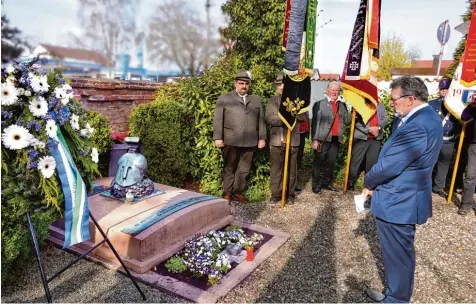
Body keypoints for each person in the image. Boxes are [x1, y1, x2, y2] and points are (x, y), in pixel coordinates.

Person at [362, 76, 443, 303]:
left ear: (410, 99)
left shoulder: (418, 124)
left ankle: (396, 299)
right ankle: (395, 293)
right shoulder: (424, 118)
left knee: (399, 256)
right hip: (403, 197)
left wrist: (369, 182)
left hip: (399, 201)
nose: (392, 104)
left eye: (395, 99)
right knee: (399, 255)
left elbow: (391, 164)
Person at [213, 70, 266, 203]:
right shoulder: (224, 98)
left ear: (249, 84)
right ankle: (227, 193)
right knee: (230, 167)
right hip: (231, 140)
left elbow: (261, 120)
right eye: (241, 83)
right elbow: (218, 119)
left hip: (250, 141)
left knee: (244, 168)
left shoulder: (256, 100)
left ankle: (238, 192)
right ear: (235, 83)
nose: (243, 86)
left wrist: (262, 138)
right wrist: (218, 138)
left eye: (246, 83)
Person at [266, 73, 307, 204]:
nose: (282, 87)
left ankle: (290, 194)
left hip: (293, 140)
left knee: (291, 169)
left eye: (284, 85)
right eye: (279, 85)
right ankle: (276, 194)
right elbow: (269, 118)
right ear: (276, 87)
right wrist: (286, 118)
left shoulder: (297, 100)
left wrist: (292, 114)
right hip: (277, 140)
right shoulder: (273, 100)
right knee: (276, 169)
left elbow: (303, 117)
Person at [310, 81, 350, 193]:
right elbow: (315, 123)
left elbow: (347, 121)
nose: (334, 92)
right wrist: (314, 139)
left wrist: (352, 109)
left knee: (330, 163)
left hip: (336, 139)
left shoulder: (342, 105)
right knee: (318, 162)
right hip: (322, 139)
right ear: (327, 90)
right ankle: (316, 184)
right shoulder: (319, 104)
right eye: (332, 90)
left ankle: (327, 183)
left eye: (336, 90)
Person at [429, 78, 461, 198]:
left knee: (444, 165)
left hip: (449, 140)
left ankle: (438, 187)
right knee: (430, 163)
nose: (444, 91)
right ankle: (426, 185)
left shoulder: (456, 105)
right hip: (434, 139)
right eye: (442, 89)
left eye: (446, 89)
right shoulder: (432, 104)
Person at [348, 99, 388, 190]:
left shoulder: (380, 104)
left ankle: (368, 185)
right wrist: (370, 130)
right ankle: (350, 182)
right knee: (356, 161)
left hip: (376, 139)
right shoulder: (359, 104)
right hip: (361, 138)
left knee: (372, 163)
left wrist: (378, 128)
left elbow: (385, 119)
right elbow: (356, 123)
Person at [458, 99, 476, 216]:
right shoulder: (473, 106)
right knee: (470, 176)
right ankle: (466, 205)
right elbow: (464, 117)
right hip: (475, 145)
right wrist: (473, 106)